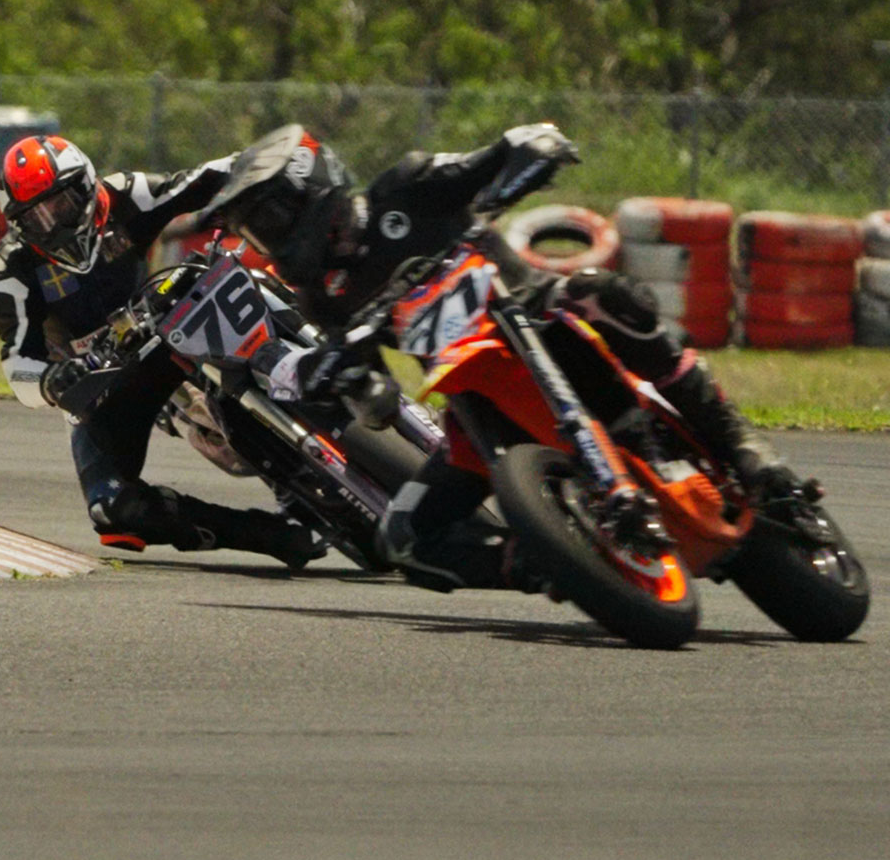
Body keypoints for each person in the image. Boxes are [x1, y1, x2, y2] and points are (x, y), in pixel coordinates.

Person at [209, 123, 797, 589]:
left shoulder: (406, 187)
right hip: (475, 395)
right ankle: (554, 562)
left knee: (604, 295)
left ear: (310, 191)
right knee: (404, 537)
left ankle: (744, 447)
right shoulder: (322, 298)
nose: (268, 241)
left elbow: (493, 155)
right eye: (254, 232)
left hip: (538, 314)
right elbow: (363, 384)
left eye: (268, 220)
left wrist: (527, 149)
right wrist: (350, 386)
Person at [0, 132, 323, 569]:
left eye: (61, 205)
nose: (53, 224)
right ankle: (262, 533)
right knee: (113, 511)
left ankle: (321, 354)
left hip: (171, 323)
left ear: (87, 184)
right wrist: (51, 381)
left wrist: (270, 161)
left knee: (242, 278)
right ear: (16, 222)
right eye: (36, 218)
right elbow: (17, 365)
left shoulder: (126, 195)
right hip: (101, 379)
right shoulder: (7, 269)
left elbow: (202, 180)